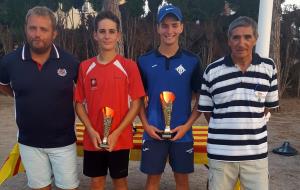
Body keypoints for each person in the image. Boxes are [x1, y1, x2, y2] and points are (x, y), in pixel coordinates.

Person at [0, 6, 79, 190]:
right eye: (33, 28)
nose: (37, 34)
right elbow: (3, 85)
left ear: (54, 33)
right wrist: (20, 93)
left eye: (44, 29)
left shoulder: (70, 62)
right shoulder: (9, 62)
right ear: (26, 28)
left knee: (69, 187)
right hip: (29, 142)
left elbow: (81, 93)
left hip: (63, 142)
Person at [198, 16, 279, 190]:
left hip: (256, 155)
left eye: (247, 37)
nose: (241, 42)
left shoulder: (268, 67)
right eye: (236, 37)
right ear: (229, 41)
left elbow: (267, 107)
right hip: (221, 155)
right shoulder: (212, 71)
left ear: (255, 39)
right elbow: (207, 111)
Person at [74, 11, 145, 190]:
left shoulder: (129, 66)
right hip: (93, 138)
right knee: (96, 182)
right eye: (102, 31)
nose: (107, 36)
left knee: (120, 182)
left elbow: (136, 103)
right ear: (95, 35)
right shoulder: (84, 67)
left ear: (118, 35)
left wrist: (116, 133)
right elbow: (78, 104)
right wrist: (90, 129)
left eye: (111, 31)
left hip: (119, 138)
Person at [137, 4, 203, 190]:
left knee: (182, 183)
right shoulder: (144, 61)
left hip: (182, 134)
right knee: (152, 182)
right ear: (157, 28)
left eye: (174, 25)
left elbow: (201, 100)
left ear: (181, 27)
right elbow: (137, 100)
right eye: (164, 25)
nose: (169, 30)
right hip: (153, 133)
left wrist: (186, 126)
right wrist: (146, 125)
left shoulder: (192, 61)